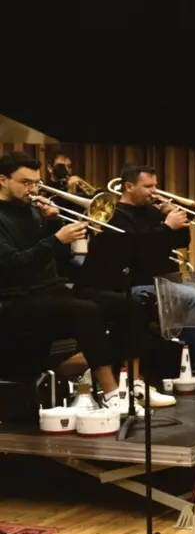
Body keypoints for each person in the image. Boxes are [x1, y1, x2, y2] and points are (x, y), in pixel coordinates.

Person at [0, 152, 138, 412]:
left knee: (128, 304)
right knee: (86, 310)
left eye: (36, 183)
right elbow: (12, 264)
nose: (33, 190)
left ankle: (131, 384)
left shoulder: (32, 212)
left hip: (50, 290)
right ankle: (111, 395)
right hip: (14, 298)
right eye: (26, 183)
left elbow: (58, 258)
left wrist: (54, 225)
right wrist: (56, 239)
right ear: (3, 180)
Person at [109, 163, 195, 397]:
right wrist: (166, 226)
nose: (154, 191)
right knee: (192, 296)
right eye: (148, 186)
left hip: (166, 279)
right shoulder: (117, 215)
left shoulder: (151, 211)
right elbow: (137, 251)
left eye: (155, 185)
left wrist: (174, 219)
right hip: (137, 282)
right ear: (128, 186)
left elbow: (181, 242)